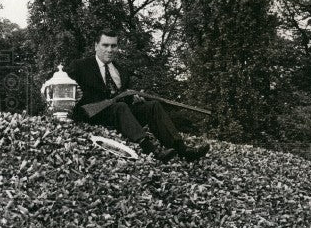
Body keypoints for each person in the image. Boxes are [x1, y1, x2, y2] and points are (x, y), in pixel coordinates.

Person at [65, 29, 210, 162]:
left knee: (152, 106)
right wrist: (74, 93)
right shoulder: (80, 66)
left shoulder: (121, 70)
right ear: (96, 46)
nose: (110, 50)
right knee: (120, 107)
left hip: (119, 115)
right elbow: (58, 83)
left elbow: (125, 97)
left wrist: (134, 99)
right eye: (105, 45)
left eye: (113, 46)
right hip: (93, 115)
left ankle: (182, 150)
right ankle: (150, 150)